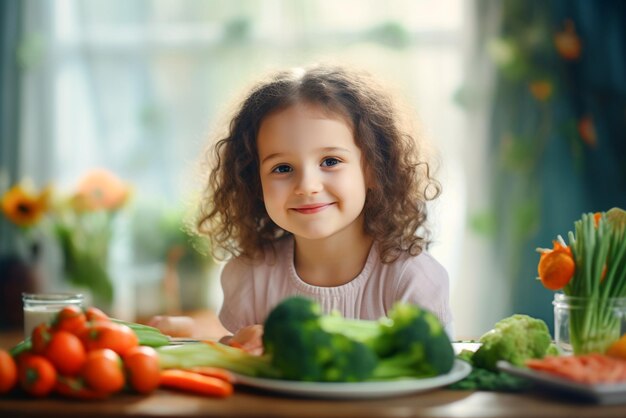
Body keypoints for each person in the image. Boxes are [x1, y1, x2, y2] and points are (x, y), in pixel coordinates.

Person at [149, 64, 452, 354]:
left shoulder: (413, 279)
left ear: (373, 169)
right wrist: (231, 343)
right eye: (282, 167)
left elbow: (431, 375)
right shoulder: (250, 276)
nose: (307, 185)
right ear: (254, 181)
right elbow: (240, 368)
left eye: (330, 161)